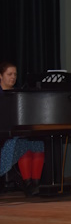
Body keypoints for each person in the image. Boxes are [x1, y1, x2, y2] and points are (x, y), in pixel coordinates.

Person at [0, 61, 45, 196]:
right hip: (5, 135)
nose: (13, 77)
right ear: (0, 76)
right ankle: (27, 184)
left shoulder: (18, 93)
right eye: (9, 74)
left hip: (17, 133)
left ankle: (35, 183)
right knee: (20, 144)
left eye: (15, 74)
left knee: (38, 144)